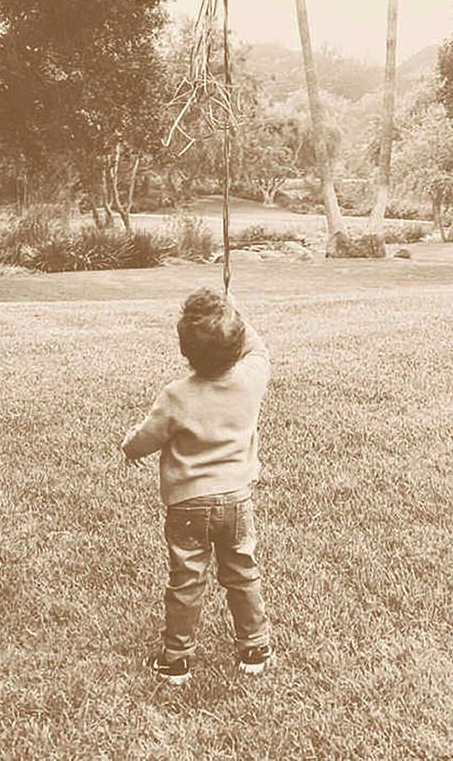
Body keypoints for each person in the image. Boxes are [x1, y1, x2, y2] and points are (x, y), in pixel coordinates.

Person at [121, 287, 273, 685]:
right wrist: (235, 312)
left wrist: (128, 446)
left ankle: (177, 659)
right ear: (237, 343)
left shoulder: (176, 395)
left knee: (187, 578)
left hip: (188, 504)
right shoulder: (250, 379)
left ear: (185, 351)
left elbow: (147, 438)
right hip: (237, 499)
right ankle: (254, 647)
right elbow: (259, 349)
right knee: (241, 570)